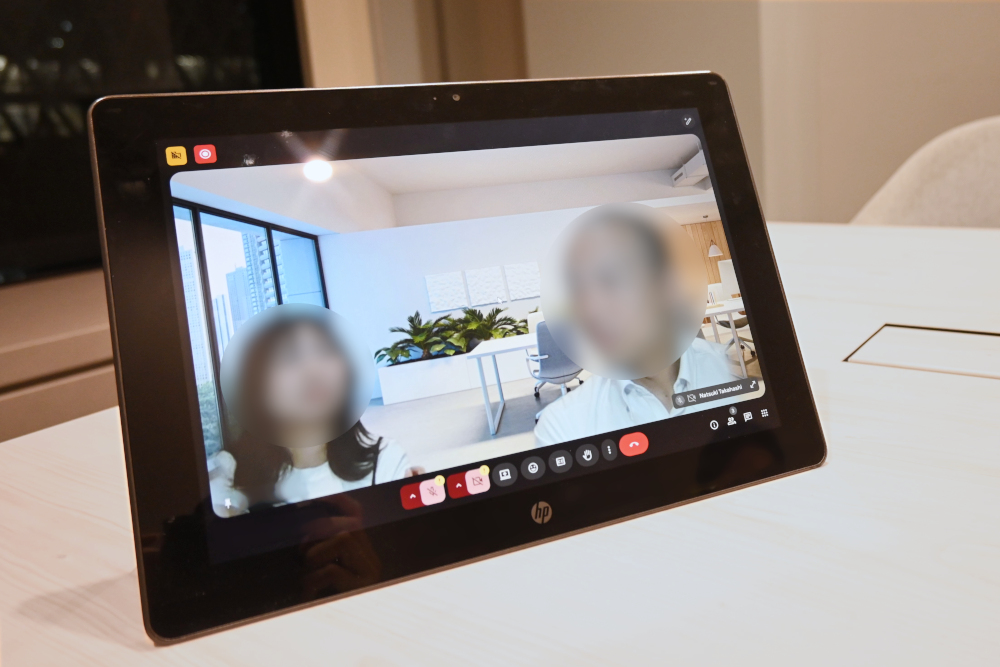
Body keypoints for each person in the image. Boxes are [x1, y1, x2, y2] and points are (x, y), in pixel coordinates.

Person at [535, 204, 740, 446]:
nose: (590, 310)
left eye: (611, 279)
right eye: (577, 289)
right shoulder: (563, 427)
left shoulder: (729, 374)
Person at [211, 309, 417, 516]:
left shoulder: (386, 460)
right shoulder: (227, 474)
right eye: (289, 357)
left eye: (326, 351)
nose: (313, 370)